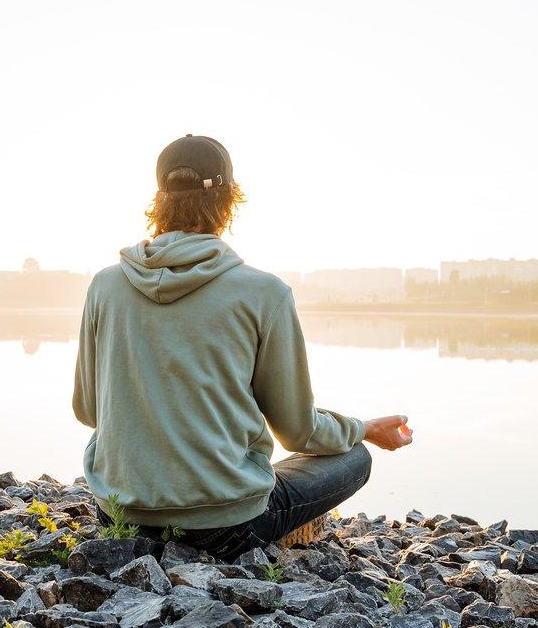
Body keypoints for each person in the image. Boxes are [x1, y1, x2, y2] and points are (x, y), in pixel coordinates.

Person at [72, 134, 413, 561]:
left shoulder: (105, 285)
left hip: (120, 515)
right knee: (355, 458)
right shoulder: (264, 292)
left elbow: (88, 410)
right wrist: (363, 427)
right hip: (226, 529)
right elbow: (299, 431)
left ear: (159, 199)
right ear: (230, 199)